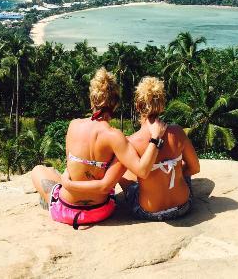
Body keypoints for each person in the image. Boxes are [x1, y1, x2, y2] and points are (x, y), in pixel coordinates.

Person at [31, 68, 166, 229]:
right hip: (101, 210)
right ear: (115, 105)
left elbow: (72, 170)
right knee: (123, 168)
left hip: (65, 210)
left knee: (39, 170)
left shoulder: (74, 125)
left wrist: (67, 183)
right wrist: (155, 138)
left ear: (91, 100)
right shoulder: (115, 137)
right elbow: (140, 171)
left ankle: (50, 198)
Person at [62, 76, 200, 221]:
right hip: (183, 206)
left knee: (124, 173)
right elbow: (195, 168)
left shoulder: (132, 141)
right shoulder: (178, 132)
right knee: (179, 165)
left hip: (148, 211)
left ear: (138, 106)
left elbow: (119, 178)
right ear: (162, 104)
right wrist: (175, 174)